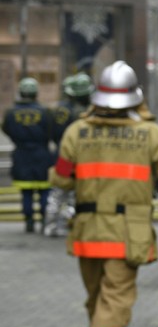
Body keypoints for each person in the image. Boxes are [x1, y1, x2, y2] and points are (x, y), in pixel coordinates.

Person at [49, 60, 158, 327]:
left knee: (97, 297)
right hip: (129, 233)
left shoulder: (76, 131)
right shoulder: (150, 133)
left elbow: (60, 177)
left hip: (87, 231)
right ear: (135, 97)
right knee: (116, 299)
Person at [3, 77, 55, 233]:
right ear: (35, 93)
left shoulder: (11, 112)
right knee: (44, 190)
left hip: (21, 155)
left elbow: (6, 129)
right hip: (42, 154)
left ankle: (29, 221)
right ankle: (45, 219)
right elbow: (51, 131)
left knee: (26, 192)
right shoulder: (45, 111)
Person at [44, 73, 94, 237]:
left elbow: (50, 132)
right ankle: (70, 222)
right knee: (75, 192)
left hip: (61, 154)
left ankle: (50, 225)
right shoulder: (83, 113)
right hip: (80, 156)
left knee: (58, 191)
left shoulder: (57, 109)